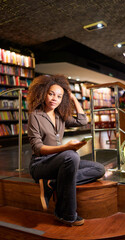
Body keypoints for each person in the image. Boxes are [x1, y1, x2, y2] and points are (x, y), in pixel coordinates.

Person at [27, 74, 105, 226]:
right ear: (43, 93)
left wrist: (73, 98)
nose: (54, 98)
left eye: (59, 96)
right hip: (40, 164)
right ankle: (67, 214)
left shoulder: (60, 115)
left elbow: (82, 120)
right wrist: (66, 147)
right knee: (71, 155)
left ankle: (53, 184)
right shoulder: (34, 116)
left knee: (99, 169)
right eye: (51, 94)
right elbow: (37, 148)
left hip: (62, 162)